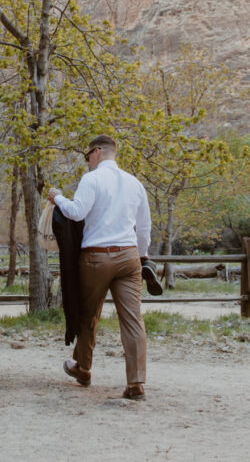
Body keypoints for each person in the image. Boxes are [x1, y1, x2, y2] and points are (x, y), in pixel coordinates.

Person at [47, 134, 152, 401]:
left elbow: (77, 212)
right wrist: (142, 256)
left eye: (87, 156)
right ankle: (136, 382)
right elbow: (144, 227)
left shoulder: (92, 179)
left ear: (96, 152)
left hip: (96, 257)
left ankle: (83, 369)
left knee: (88, 314)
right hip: (129, 256)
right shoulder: (135, 183)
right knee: (132, 319)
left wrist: (57, 197)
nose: (88, 162)